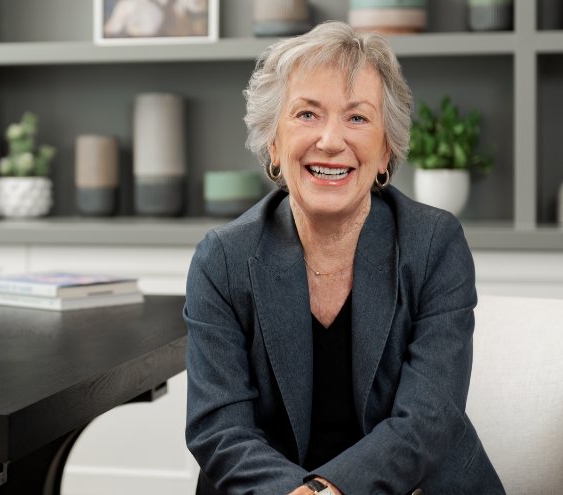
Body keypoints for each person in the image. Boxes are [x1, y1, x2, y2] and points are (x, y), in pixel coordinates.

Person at [183, 21, 505, 495]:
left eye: (357, 118)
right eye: (307, 115)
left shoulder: (434, 243)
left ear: (385, 153)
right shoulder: (223, 259)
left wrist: (331, 490)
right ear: (273, 143)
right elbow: (219, 428)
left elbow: (429, 418)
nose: (331, 141)